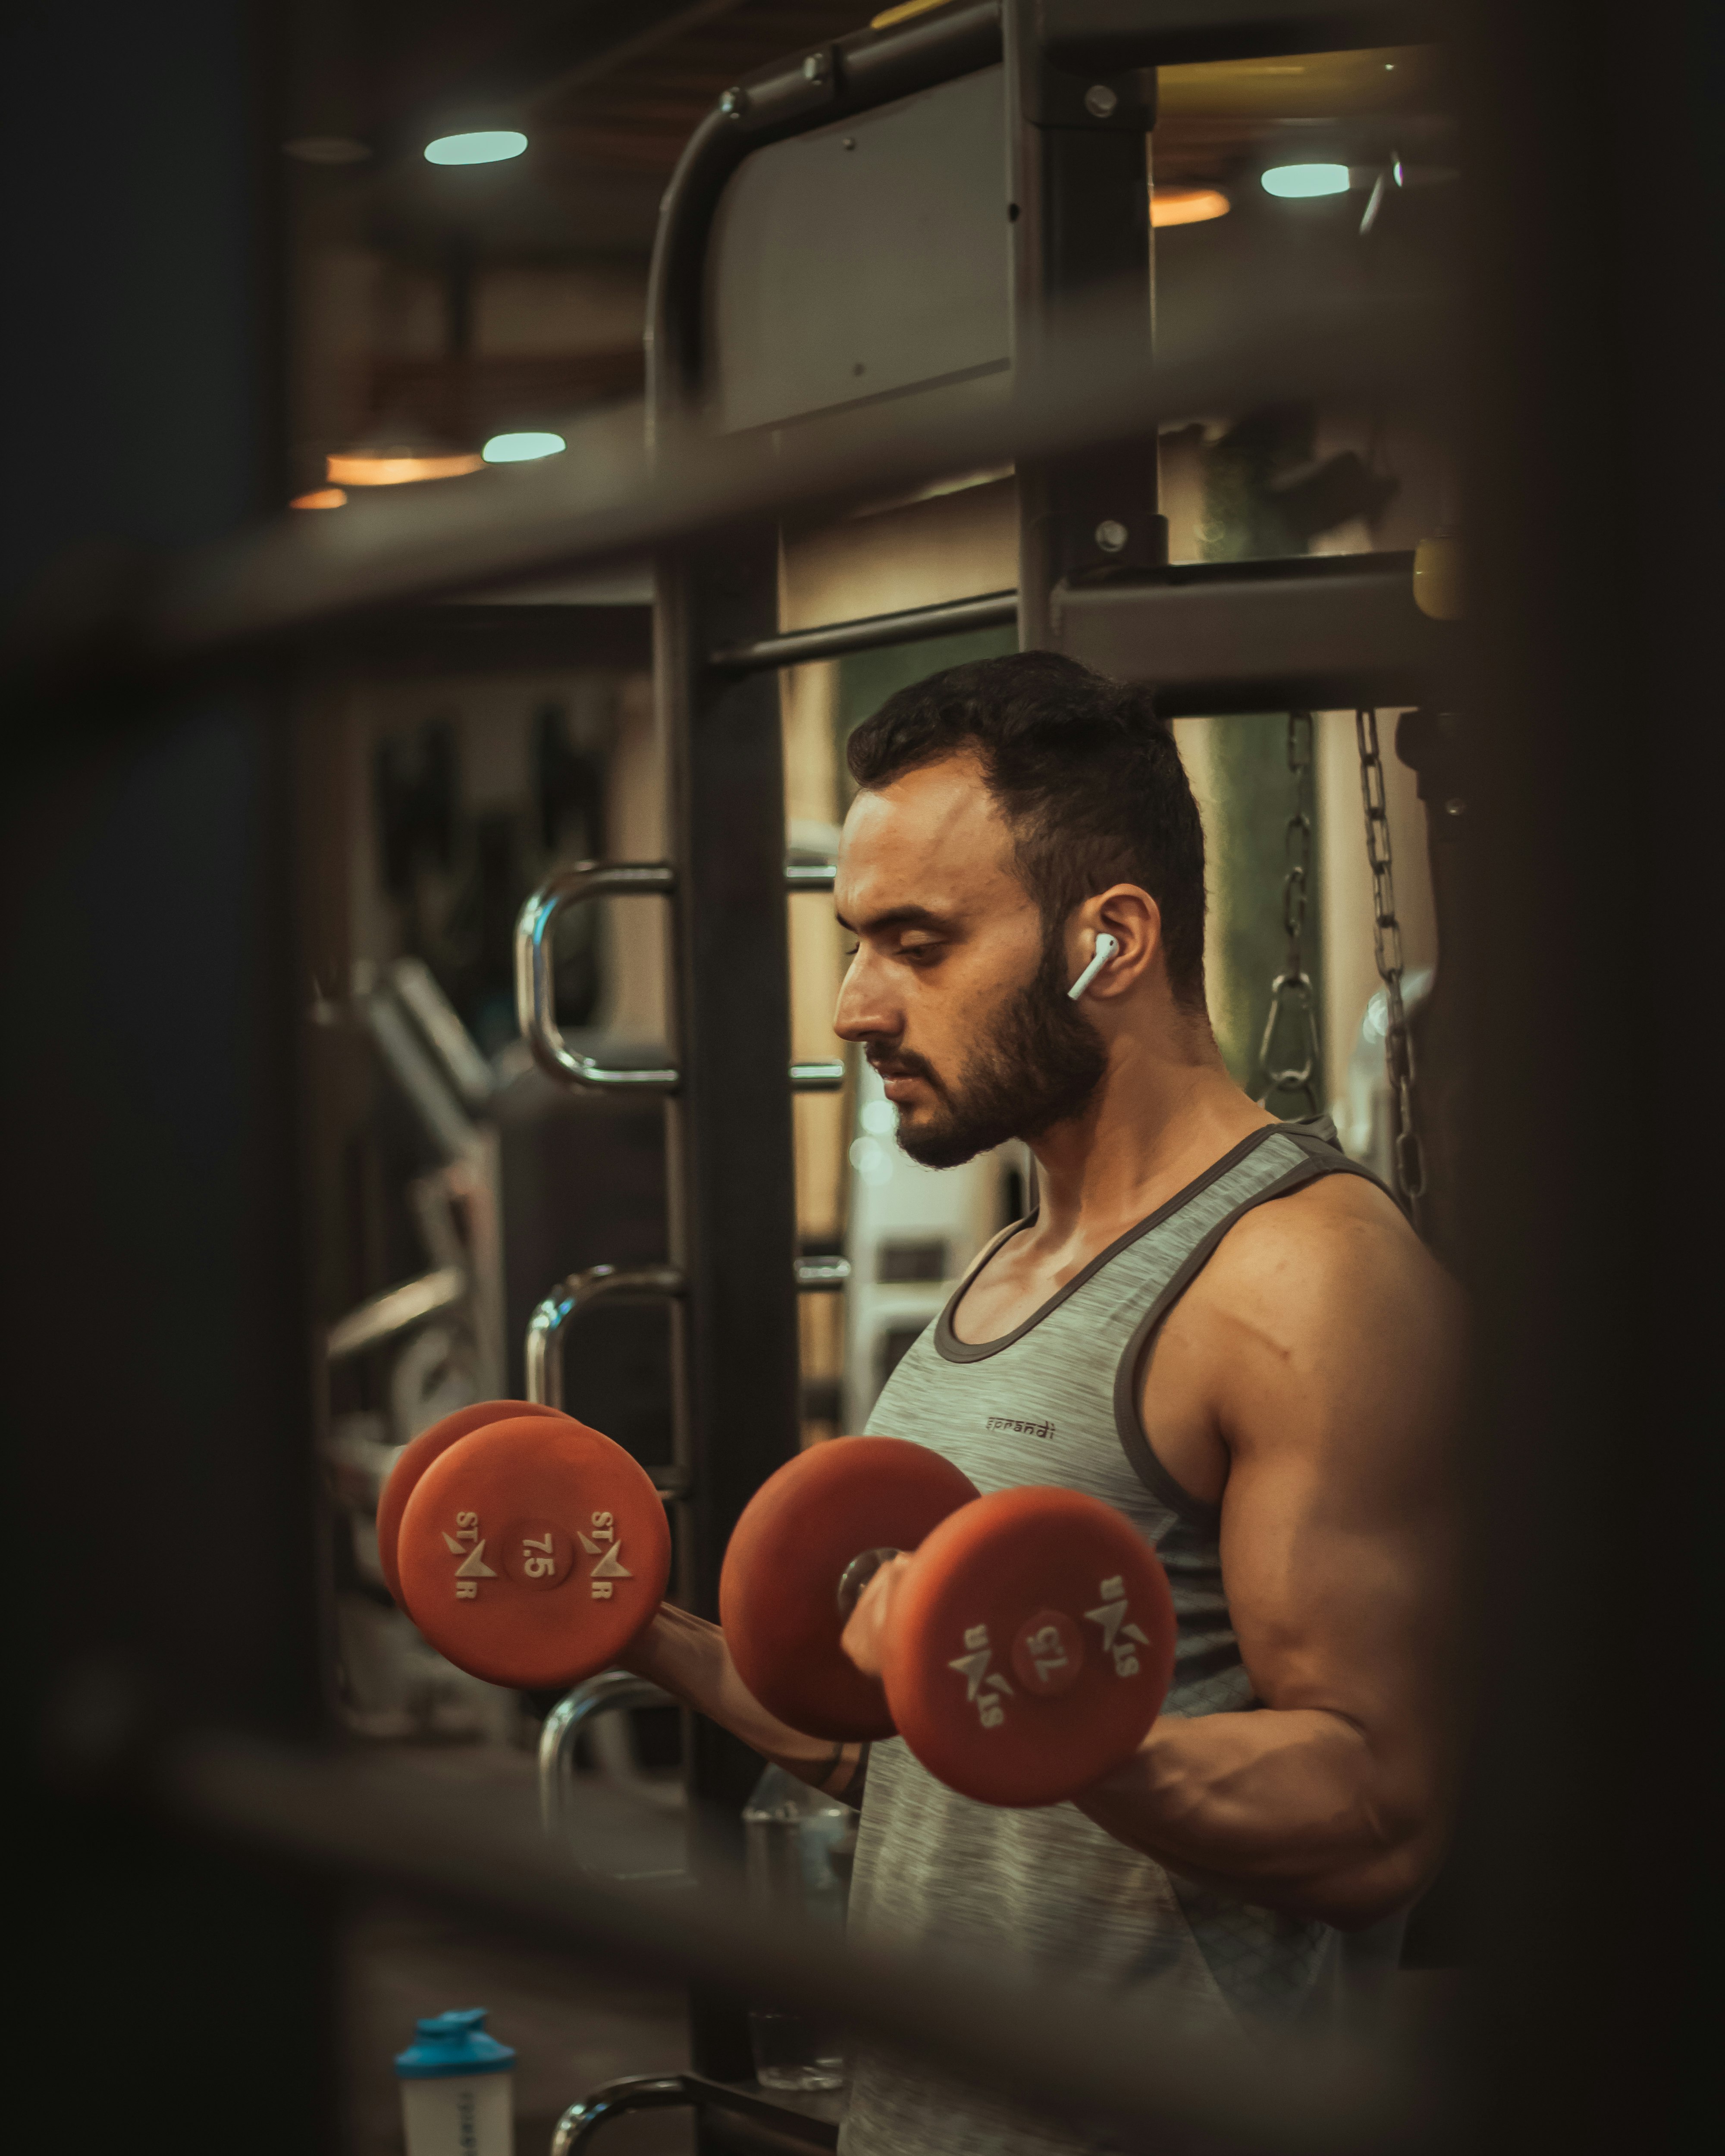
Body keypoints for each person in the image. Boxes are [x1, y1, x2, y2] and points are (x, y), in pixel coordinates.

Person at [623, 652, 1462, 2156]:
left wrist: (1068, 1727)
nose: (855, 1005)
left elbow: (1379, 1809)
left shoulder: (1299, 1283)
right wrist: (636, 1624)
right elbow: (899, 1748)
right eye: (853, 943)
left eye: (917, 943)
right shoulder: (1013, 1268)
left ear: (1110, 940)